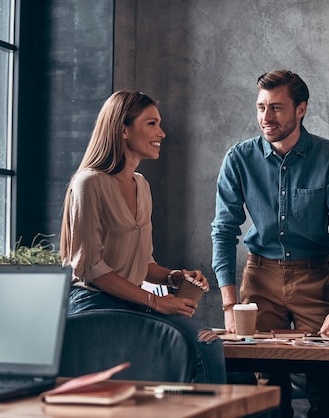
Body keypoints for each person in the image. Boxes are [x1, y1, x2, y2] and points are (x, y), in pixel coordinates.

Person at [211, 70, 329, 418]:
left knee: (324, 387)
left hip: (313, 277)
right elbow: (223, 230)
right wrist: (229, 305)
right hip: (259, 276)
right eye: (261, 107)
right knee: (269, 393)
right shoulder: (239, 158)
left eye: (276, 108)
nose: (266, 117)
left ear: (301, 109)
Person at [60, 89, 226, 384]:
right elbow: (91, 268)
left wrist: (175, 278)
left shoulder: (142, 185)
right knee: (194, 345)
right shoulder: (89, 183)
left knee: (207, 339)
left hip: (132, 303)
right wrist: (156, 302)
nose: (161, 132)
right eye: (151, 124)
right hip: (93, 303)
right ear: (124, 129)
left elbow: (143, 264)